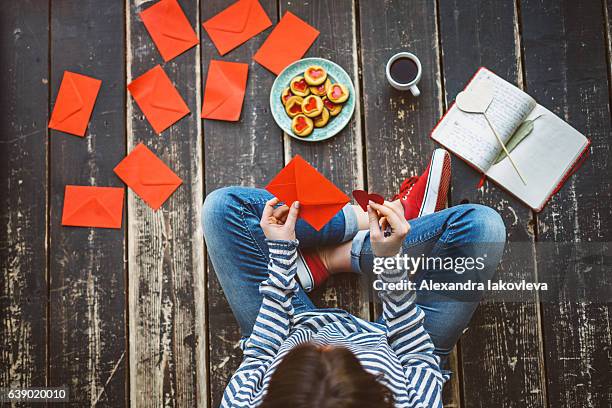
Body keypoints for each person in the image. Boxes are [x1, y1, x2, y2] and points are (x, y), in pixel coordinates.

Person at [202, 149, 506, 408]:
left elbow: (261, 351)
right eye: (342, 355)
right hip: (404, 346)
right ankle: (380, 224)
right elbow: (415, 355)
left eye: (312, 351)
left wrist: (281, 257)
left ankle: (344, 241)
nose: (332, 340)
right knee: (484, 227)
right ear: (380, 395)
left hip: (287, 327)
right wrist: (389, 261)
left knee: (222, 208)